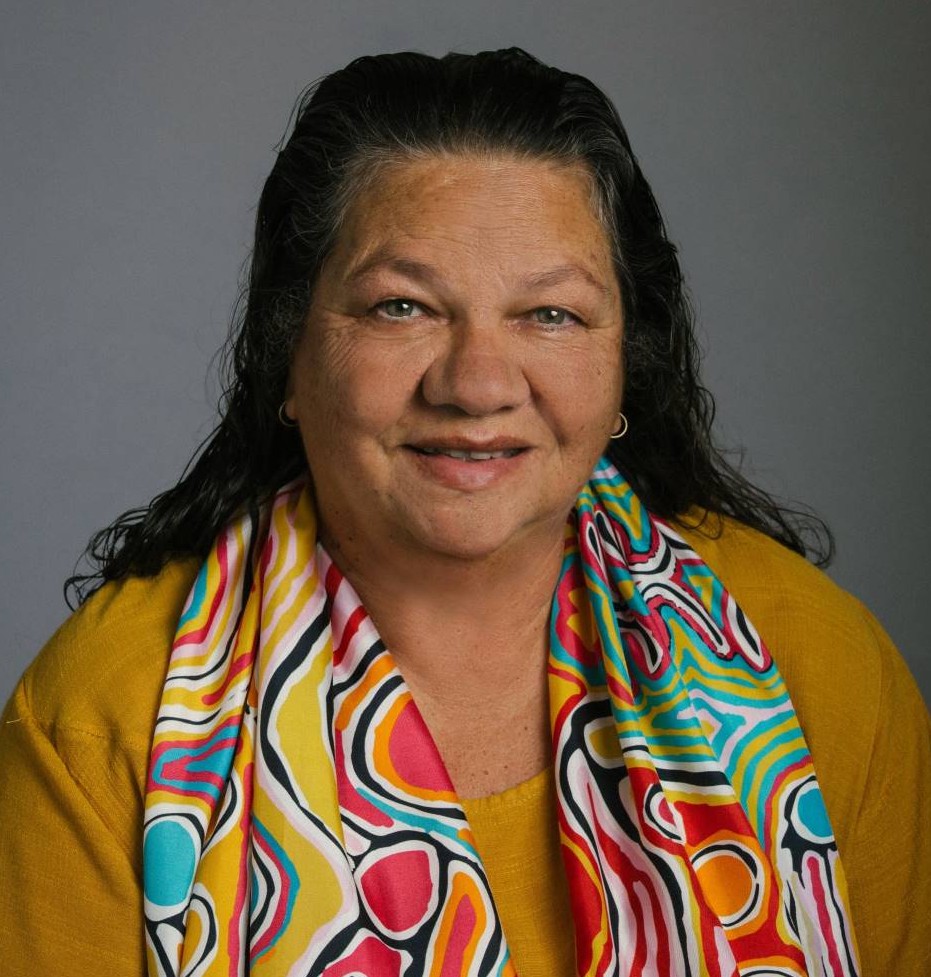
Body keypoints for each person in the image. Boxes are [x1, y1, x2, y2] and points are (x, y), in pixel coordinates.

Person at [0, 47, 928, 977]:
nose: (477, 384)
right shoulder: (105, 718)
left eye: (551, 315)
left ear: (624, 369)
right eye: (401, 306)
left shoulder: (815, 667)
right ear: (289, 351)